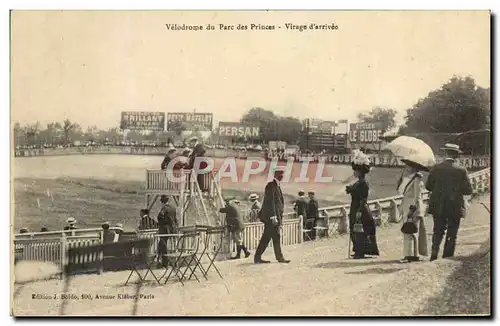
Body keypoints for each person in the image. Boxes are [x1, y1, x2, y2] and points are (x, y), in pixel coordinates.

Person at [426, 143, 473, 261]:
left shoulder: (435, 168)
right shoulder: (461, 170)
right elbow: (468, 190)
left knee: (438, 230)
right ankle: (447, 256)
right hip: (454, 205)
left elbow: (428, 186)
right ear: (456, 156)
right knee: (452, 231)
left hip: (438, 204)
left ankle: (434, 253)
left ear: (445, 153)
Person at [346, 150, 380, 259]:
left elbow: (363, 198)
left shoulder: (363, 182)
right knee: (357, 229)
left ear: (360, 171)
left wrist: (359, 212)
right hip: (356, 207)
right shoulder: (360, 182)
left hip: (360, 208)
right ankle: (359, 250)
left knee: (359, 230)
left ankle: (360, 251)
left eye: (355, 170)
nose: (354, 172)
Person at [254, 166, 290, 264]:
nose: (282, 176)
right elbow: (270, 202)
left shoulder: (277, 186)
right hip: (272, 219)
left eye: (282, 174)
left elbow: (277, 203)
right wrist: (274, 217)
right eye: (280, 174)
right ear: (275, 174)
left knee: (269, 238)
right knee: (271, 237)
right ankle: (279, 258)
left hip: (275, 218)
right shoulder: (270, 185)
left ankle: (258, 258)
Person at [397, 164, 428, 263]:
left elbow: (417, 196)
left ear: (414, 167)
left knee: (410, 231)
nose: (406, 168)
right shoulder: (408, 178)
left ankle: (411, 255)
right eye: (406, 166)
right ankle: (410, 255)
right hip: (407, 206)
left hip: (412, 208)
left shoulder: (417, 179)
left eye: (408, 166)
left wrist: (413, 209)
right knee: (408, 231)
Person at [157, 195, 178, 266]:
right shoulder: (173, 208)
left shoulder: (164, 208)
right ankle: (173, 261)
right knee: (172, 245)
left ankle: (164, 262)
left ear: (162, 202)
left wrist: (161, 224)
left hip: (165, 229)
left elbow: (160, 217)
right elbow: (175, 219)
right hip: (173, 229)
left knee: (163, 245)